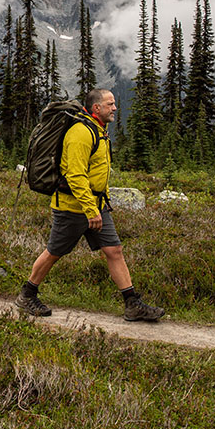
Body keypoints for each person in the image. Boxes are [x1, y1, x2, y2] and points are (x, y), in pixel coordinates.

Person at [16, 88, 165, 322]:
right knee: (55, 252)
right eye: (110, 104)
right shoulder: (80, 133)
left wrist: (97, 207)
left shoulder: (99, 130)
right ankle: (27, 293)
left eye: (114, 103)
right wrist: (90, 209)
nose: (115, 108)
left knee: (114, 250)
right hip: (73, 207)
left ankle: (132, 303)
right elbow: (75, 175)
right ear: (97, 108)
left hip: (96, 205)